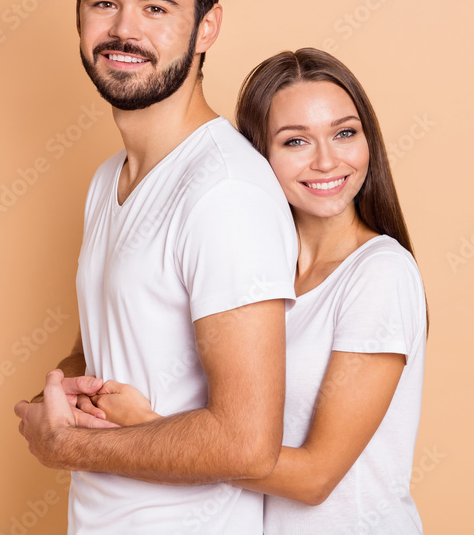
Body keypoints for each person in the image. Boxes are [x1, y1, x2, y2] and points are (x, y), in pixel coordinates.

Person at [13, 0, 298, 535]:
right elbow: (107, 344)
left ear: (207, 27)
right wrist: (54, 400)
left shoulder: (225, 192)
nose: (124, 30)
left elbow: (247, 443)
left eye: (156, 7)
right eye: (103, 2)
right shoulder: (107, 180)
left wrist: (67, 446)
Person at [91, 48, 428, 533]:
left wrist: (144, 426)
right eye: (296, 141)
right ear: (259, 155)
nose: (327, 160)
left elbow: (315, 477)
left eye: (344, 133)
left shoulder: (381, 274)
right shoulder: (254, 274)